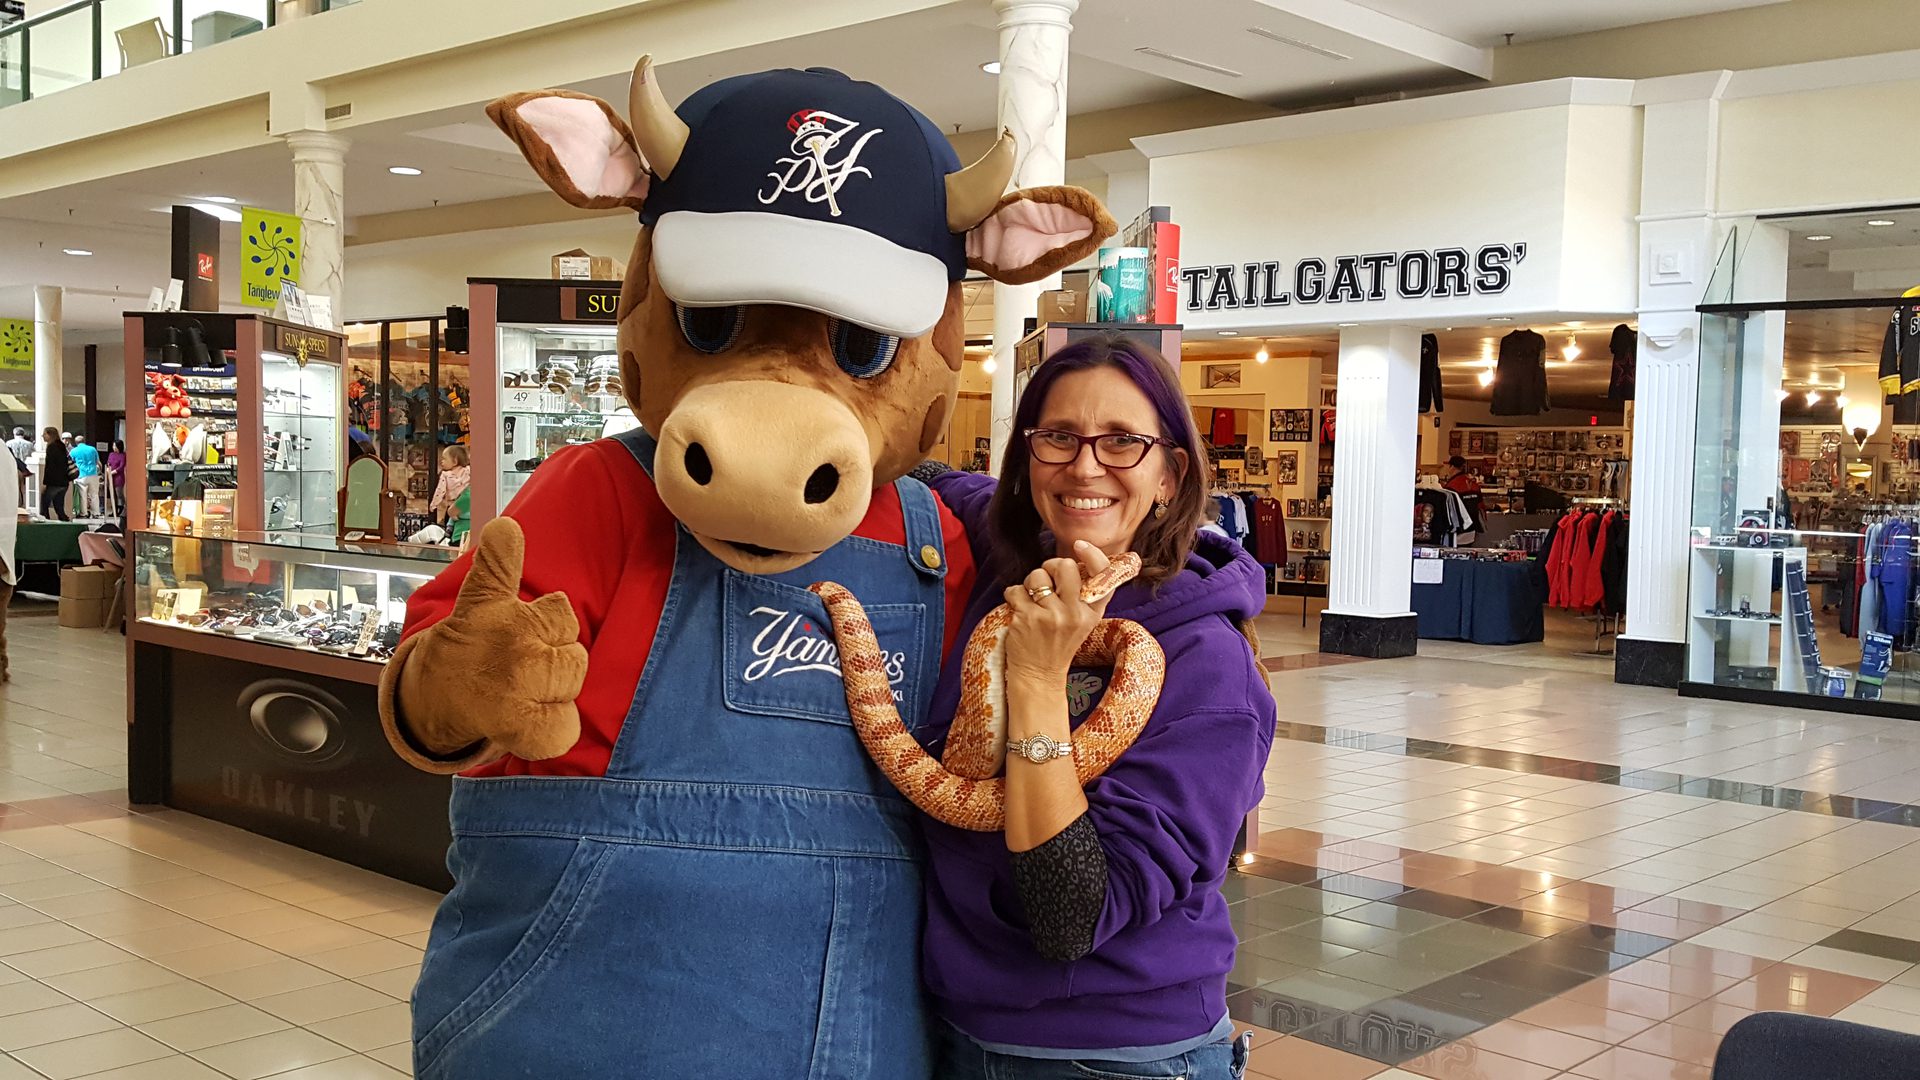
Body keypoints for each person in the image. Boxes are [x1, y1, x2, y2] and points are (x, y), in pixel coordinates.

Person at [916, 335, 1276, 1079]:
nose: (1085, 466)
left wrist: (1040, 680)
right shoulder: (1010, 562)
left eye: (1122, 441)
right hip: (952, 1031)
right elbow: (925, 471)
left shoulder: (1209, 666)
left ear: (1171, 475)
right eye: (1059, 437)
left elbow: (1071, 915)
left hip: (1115, 1053)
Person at [430, 445, 470, 527]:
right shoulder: (468, 471)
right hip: (465, 506)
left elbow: (440, 491)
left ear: (455, 461)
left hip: (452, 506)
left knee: (450, 525)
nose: (441, 461)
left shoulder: (445, 475)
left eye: (444, 459)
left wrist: (434, 504)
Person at [38, 428, 70, 522]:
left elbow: (50, 467)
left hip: (54, 482)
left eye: (44, 434)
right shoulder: (61, 446)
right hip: (63, 481)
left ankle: (45, 522)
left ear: (50, 435)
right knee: (59, 506)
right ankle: (65, 523)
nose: (42, 436)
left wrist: (46, 483)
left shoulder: (52, 447)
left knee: (44, 504)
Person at [69, 438, 99, 517]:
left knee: (82, 495)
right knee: (94, 494)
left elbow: (70, 462)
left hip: (81, 475)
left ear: (76, 442)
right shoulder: (93, 449)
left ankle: (84, 513)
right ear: (84, 441)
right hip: (93, 473)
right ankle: (96, 513)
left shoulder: (74, 451)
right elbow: (97, 462)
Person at [106, 441, 127, 515]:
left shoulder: (123, 455)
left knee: (119, 494)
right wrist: (108, 470)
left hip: (118, 477)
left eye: (115, 446)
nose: (114, 447)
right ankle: (114, 510)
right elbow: (108, 463)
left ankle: (123, 508)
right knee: (112, 494)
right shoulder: (111, 454)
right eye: (113, 446)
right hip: (110, 477)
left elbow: (121, 466)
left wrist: (113, 472)